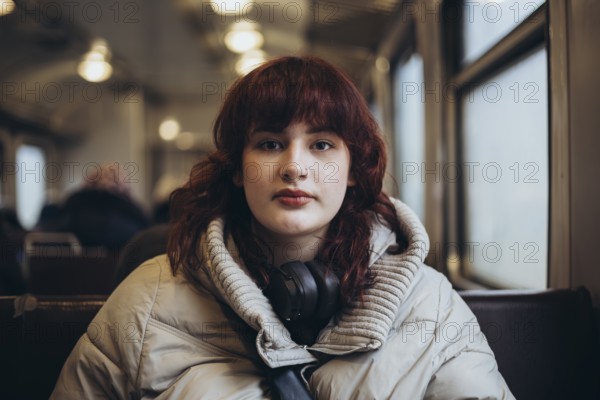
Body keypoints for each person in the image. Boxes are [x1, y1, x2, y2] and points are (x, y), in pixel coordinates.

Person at [51, 56, 514, 399]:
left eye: (322, 145)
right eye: (271, 143)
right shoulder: (144, 303)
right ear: (237, 168)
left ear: (353, 168)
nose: (295, 167)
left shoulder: (430, 307)